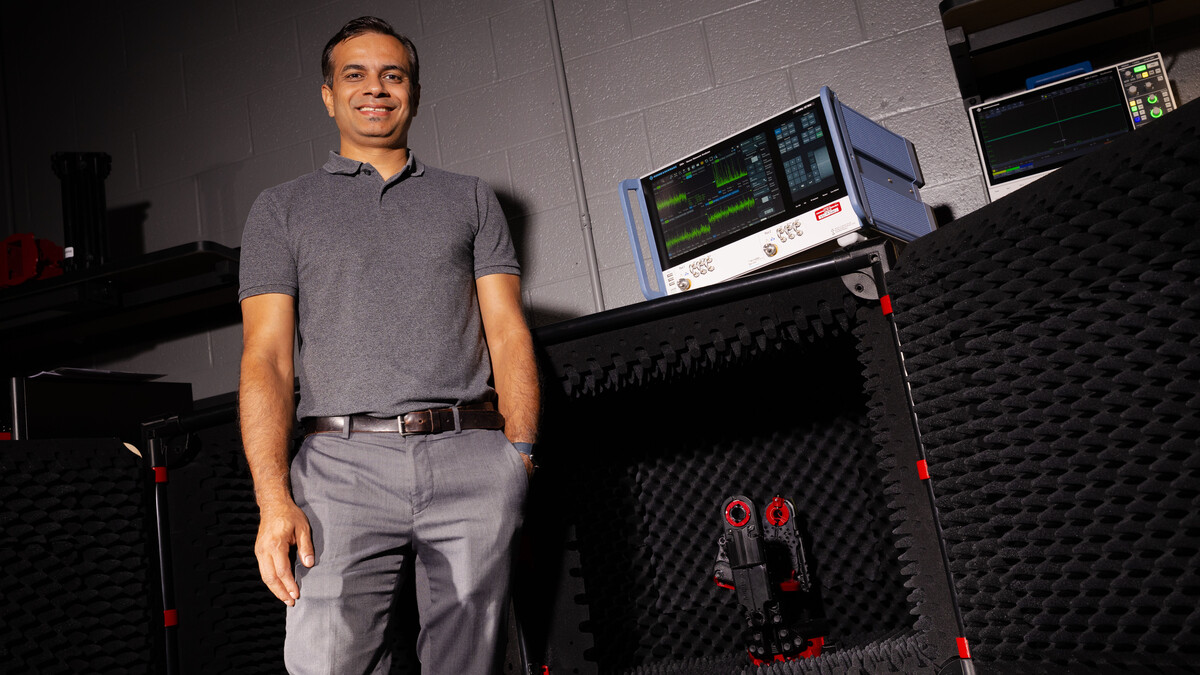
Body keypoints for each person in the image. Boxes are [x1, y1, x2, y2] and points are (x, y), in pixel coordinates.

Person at [237, 15, 539, 675]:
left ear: (414, 90)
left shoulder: (472, 198)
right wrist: (272, 499)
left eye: (391, 75)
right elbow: (266, 358)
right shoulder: (281, 209)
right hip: (340, 469)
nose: (375, 88)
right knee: (324, 664)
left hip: (470, 457)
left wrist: (517, 454)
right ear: (328, 94)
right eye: (356, 75)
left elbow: (509, 331)